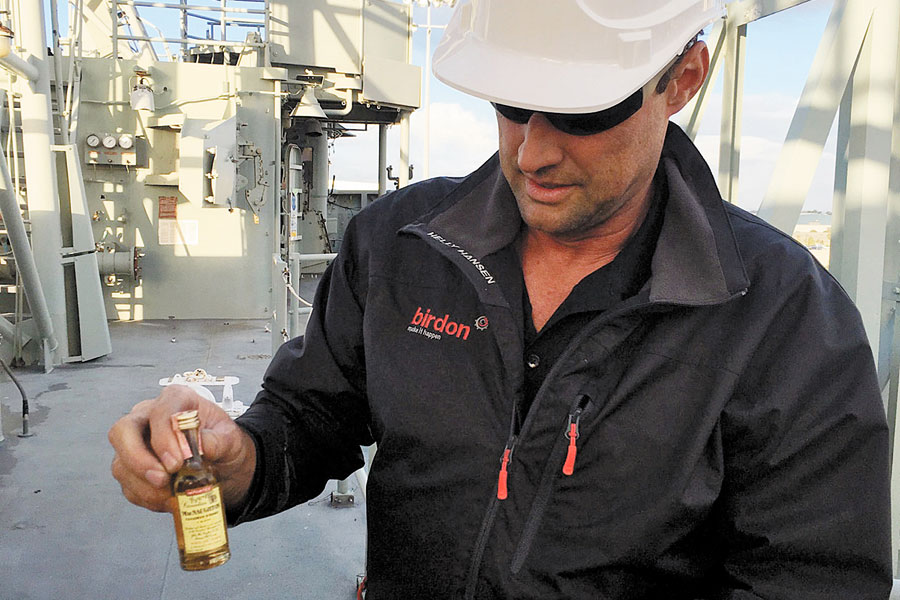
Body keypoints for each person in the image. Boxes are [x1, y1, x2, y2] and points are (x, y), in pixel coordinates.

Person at [108, 1, 892, 598]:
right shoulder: (398, 245)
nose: (533, 149)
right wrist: (237, 458)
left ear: (684, 79)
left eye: (585, 110)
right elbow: (311, 417)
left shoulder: (784, 316)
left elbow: (811, 578)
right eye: (511, 103)